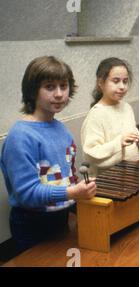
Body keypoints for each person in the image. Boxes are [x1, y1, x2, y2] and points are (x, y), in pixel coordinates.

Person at [0, 56, 96, 253]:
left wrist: (80, 189)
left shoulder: (61, 129)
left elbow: (66, 176)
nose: (59, 94)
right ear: (33, 91)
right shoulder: (21, 136)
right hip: (31, 224)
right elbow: (27, 194)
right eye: (50, 87)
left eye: (63, 86)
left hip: (59, 218)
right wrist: (71, 192)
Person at [81, 57, 139, 177]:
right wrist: (119, 143)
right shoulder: (96, 114)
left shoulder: (127, 107)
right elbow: (91, 154)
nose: (122, 86)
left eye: (125, 81)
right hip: (108, 180)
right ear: (101, 83)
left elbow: (131, 138)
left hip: (129, 175)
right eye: (116, 81)